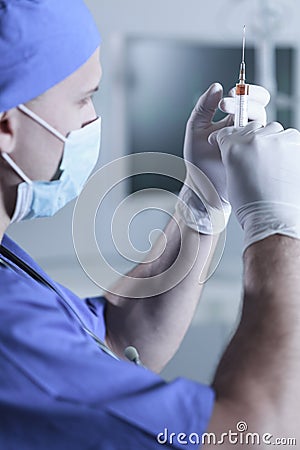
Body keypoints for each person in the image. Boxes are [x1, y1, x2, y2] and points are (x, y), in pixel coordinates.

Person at [0, 0, 298, 448]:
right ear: (6, 125)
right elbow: (255, 435)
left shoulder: (9, 271)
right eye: (84, 98)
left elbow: (114, 342)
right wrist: (277, 228)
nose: (91, 120)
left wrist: (200, 201)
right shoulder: (9, 328)